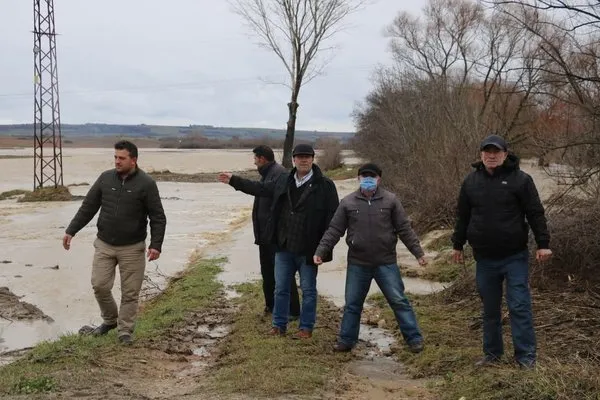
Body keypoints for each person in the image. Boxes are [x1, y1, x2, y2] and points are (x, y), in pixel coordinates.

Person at [451, 134, 552, 369]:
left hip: (514, 256)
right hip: (484, 258)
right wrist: (457, 244)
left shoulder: (521, 180)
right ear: (481, 155)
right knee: (490, 309)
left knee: (519, 306)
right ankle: (492, 355)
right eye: (487, 151)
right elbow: (463, 216)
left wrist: (543, 244)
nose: (491, 155)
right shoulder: (471, 182)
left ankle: (526, 358)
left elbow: (535, 213)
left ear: (505, 154)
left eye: (496, 151)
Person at [218, 143, 339, 338]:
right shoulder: (284, 179)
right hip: (283, 246)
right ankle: (278, 325)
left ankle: (306, 328)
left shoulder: (325, 186)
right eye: (299, 156)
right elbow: (260, 188)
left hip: (309, 249)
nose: (304, 160)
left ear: (313, 158)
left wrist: (324, 248)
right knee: (280, 288)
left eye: (307, 156)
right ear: (293, 159)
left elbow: (333, 220)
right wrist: (234, 180)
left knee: (308, 291)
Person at [313, 163, 427, 353]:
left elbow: (404, 229)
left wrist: (419, 253)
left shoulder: (391, 200)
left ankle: (414, 339)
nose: (367, 179)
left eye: (371, 177)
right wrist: (320, 251)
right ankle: (346, 340)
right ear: (358, 179)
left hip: (386, 262)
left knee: (399, 301)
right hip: (358, 263)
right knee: (352, 304)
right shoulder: (348, 202)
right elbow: (334, 230)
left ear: (378, 179)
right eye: (364, 176)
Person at [63, 140, 167, 345]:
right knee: (100, 285)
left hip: (133, 247)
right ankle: (110, 320)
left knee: (130, 292)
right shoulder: (105, 178)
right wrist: (71, 230)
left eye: (122, 158)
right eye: (115, 157)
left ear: (134, 160)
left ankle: (125, 332)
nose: (117, 161)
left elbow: (158, 217)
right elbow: (88, 207)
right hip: (104, 244)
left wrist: (156, 245)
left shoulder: (146, 184)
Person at [249, 145, 300, 319]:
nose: (254, 162)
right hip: (264, 234)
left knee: (283, 273)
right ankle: (271, 306)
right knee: (268, 272)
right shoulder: (267, 174)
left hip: (275, 235)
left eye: (255, 158)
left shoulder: (278, 174)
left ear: (262, 159)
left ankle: (292, 311)